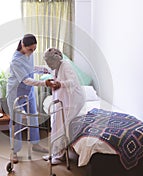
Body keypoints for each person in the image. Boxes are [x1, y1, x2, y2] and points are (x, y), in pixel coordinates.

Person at [6, 34, 55, 164]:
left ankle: (35, 144)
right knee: (16, 121)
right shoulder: (15, 61)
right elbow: (26, 80)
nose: (32, 52)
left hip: (29, 91)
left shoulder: (29, 54)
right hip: (15, 92)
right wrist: (45, 83)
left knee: (33, 116)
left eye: (34, 49)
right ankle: (14, 152)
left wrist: (43, 70)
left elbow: (30, 68)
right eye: (30, 50)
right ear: (23, 45)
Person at [42, 48, 85, 165]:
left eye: (49, 62)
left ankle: (61, 155)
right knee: (55, 124)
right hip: (62, 99)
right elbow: (50, 74)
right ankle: (55, 152)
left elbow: (72, 82)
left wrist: (60, 83)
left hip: (72, 101)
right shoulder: (56, 67)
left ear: (55, 60)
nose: (48, 65)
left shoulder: (65, 66)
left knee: (62, 126)